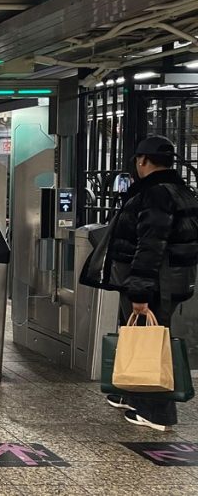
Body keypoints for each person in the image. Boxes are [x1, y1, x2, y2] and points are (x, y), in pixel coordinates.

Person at [104, 135, 198, 431]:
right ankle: (131, 392)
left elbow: (151, 245)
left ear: (142, 161)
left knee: (152, 341)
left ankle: (157, 411)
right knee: (139, 336)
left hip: (155, 282)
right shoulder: (182, 191)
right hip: (169, 280)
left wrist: (140, 290)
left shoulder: (156, 194)